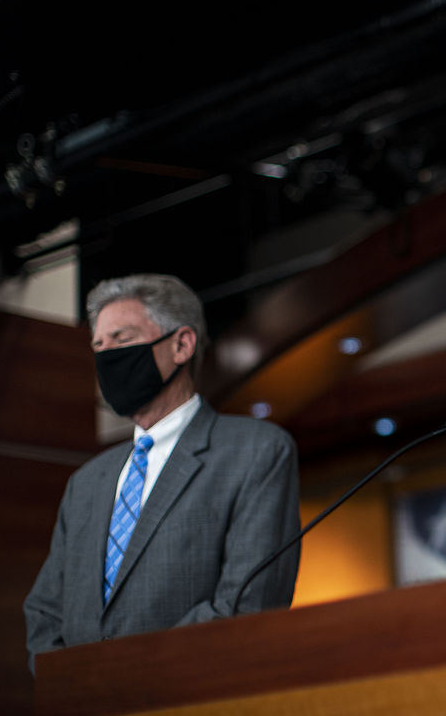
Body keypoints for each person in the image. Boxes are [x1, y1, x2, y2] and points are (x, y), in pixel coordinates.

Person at [24, 274, 300, 672]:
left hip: (191, 711)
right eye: (98, 345)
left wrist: (133, 674)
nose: (107, 356)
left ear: (182, 344)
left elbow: (247, 603)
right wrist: (71, 685)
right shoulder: (87, 482)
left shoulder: (256, 451)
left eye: (122, 338)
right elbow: (45, 610)